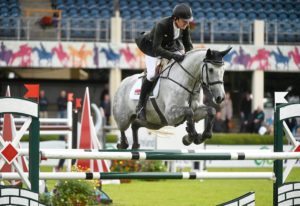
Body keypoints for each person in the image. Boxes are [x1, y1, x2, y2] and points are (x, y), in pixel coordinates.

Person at [135, 3, 194, 121]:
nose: (187, 24)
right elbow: (157, 49)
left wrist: (191, 57)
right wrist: (173, 56)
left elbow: (187, 44)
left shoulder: (185, 26)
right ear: (175, 18)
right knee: (152, 75)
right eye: (184, 21)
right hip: (152, 47)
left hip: (168, 45)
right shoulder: (162, 25)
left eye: (188, 21)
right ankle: (140, 106)